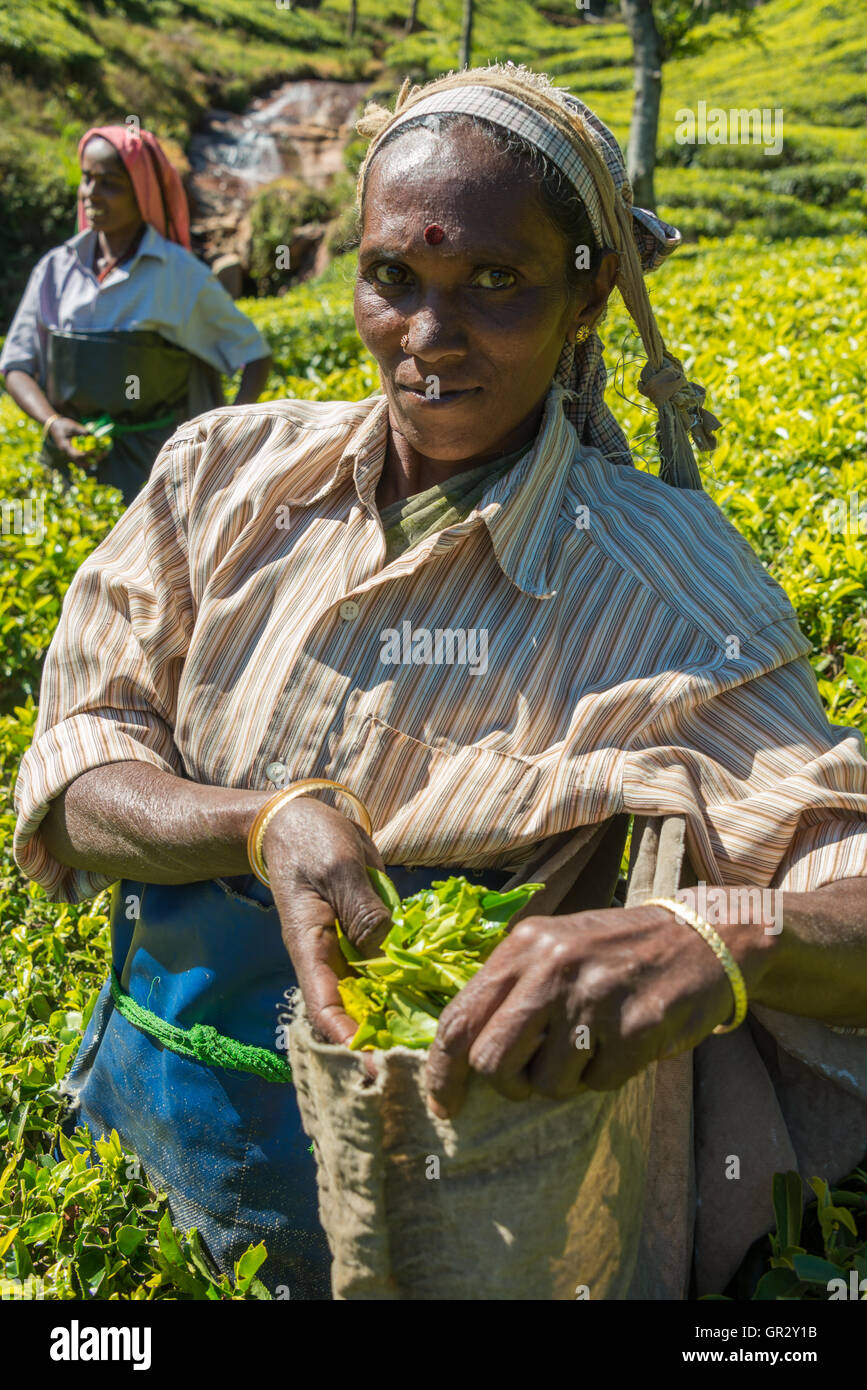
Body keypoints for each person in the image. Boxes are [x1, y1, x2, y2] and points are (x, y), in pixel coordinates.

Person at [12, 63, 867, 1300]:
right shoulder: (221, 475)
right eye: (393, 279)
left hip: (456, 1216)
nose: (429, 337)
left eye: (496, 282)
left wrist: (720, 936)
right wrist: (255, 822)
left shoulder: (671, 589)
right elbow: (82, 753)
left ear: (587, 301)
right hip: (148, 1137)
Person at [0, 125, 272, 506]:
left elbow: (255, 356)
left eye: (109, 183)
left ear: (141, 193)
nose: (91, 193)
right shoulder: (55, 269)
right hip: (69, 468)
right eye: (87, 178)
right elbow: (15, 364)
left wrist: (224, 436)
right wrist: (51, 422)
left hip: (156, 475)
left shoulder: (177, 273)